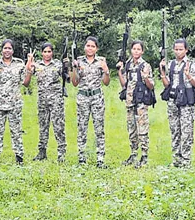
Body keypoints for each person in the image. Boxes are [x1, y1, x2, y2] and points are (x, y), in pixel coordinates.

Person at [0, 39, 32, 166]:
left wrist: (29, 71)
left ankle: (19, 157)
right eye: (5, 48)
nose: (7, 50)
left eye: (9, 48)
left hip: (15, 103)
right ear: (1, 50)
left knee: (16, 131)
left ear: (13, 50)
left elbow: (26, 83)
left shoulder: (19, 64)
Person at [159, 39, 195, 169]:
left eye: (180, 49)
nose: (178, 51)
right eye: (176, 49)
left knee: (186, 131)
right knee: (175, 130)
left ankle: (186, 161)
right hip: (173, 101)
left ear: (186, 50)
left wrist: (188, 76)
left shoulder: (191, 64)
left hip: (186, 102)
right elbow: (167, 85)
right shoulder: (171, 64)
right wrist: (163, 73)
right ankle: (176, 159)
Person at [71, 36, 111, 168]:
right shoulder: (79, 61)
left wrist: (106, 71)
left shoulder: (101, 61)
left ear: (96, 48)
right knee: (82, 128)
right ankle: (82, 157)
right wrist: (75, 69)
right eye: (88, 46)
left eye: (93, 46)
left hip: (96, 98)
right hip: (83, 98)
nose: (90, 48)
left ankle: (100, 158)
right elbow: (75, 83)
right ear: (84, 47)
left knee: (99, 129)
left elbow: (106, 82)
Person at [117, 40, 154, 168]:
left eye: (139, 49)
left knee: (142, 129)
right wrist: (120, 71)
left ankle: (144, 156)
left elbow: (151, 85)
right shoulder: (128, 65)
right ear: (131, 50)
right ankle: (133, 154)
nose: (136, 51)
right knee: (131, 129)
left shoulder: (145, 65)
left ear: (142, 51)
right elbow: (124, 84)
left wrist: (145, 77)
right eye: (134, 49)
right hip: (130, 101)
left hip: (141, 102)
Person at [28, 42, 67, 162]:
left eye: (49, 51)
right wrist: (30, 60)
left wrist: (68, 65)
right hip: (42, 100)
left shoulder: (58, 64)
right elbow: (28, 71)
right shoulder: (37, 64)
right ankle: (42, 152)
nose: (47, 54)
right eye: (45, 51)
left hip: (56, 100)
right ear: (41, 53)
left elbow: (67, 76)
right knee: (43, 126)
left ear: (52, 53)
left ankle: (61, 153)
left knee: (58, 126)